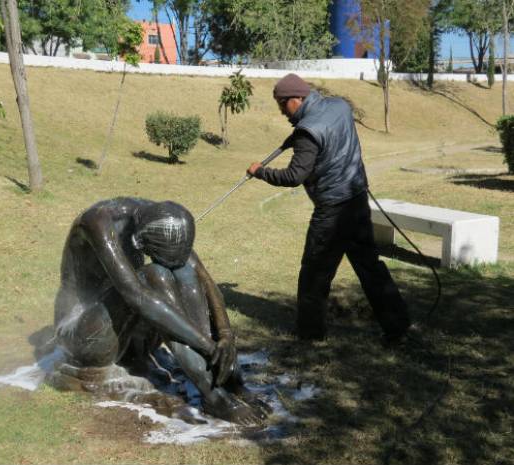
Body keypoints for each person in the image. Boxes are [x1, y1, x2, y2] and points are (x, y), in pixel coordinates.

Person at [52, 197, 267, 424]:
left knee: (184, 272)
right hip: (81, 336)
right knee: (155, 276)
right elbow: (137, 296)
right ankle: (213, 395)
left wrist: (224, 336)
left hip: (123, 332)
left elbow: (204, 277)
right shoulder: (97, 222)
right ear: (138, 242)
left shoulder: (161, 217)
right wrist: (206, 345)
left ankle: (224, 379)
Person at [246, 73, 410, 344]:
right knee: (371, 267)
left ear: (296, 99)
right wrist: (295, 137)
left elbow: (293, 176)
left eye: (282, 104)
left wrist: (261, 172)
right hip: (357, 199)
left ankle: (310, 335)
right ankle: (398, 327)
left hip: (332, 212)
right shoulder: (339, 106)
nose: (281, 110)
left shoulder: (307, 134)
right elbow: (326, 134)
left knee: (314, 273)